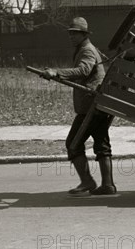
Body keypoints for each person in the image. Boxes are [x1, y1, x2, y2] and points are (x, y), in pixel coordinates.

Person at [42, 17, 116, 196]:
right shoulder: (86, 48)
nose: (71, 37)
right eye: (70, 33)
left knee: (73, 144)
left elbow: (84, 70)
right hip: (98, 105)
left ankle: (87, 182)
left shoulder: (87, 50)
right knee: (101, 144)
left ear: (84, 34)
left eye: (75, 33)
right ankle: (107, 185)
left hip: (91, 106)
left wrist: (57, 72)